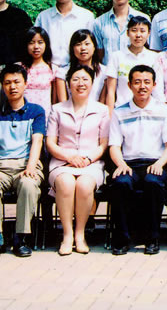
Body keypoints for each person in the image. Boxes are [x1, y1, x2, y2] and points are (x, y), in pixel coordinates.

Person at [0, 64, 46, 258]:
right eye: (7, 83)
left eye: (17, 82)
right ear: (2, 86)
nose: (12, 87)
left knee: (28, 184)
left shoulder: (36, 111)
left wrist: (31, 167)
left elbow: (37, 141)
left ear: (25, 84)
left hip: (26, 164)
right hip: (1, 166)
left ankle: (20, 238)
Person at [108, 65, 167, 256]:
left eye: (147, 82)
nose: (142, 86)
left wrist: (160, 164)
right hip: (128, 163)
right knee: (120, 183)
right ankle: (122, 239)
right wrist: (121, 164)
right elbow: (114, 145)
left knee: (153, 183)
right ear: (129, 85)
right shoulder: (119, 112)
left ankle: (152, 238)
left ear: (154, 85)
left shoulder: (164, 110)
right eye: (137, 82)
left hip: (156, 162)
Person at [46, 65, 110, 255]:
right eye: (75, 79)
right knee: (65, 183)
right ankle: (67, 235)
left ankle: (80, 234)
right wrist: (69, 157)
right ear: (68, 83)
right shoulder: (57, 109)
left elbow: (103, 144)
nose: (80, 83)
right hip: (62, 163)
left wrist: (88, 159)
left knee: (84, 184)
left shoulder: (102, 110)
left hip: (91, 163)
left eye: (85, 79)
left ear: (92, 83)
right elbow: (50, 142)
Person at [34, 0, 95, 72]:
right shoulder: (43, 17)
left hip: (77, 71)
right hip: (48, 70)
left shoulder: (86, 16)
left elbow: (92, 47)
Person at [105, 16, 164, 109]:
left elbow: (158, 91)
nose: (138, 35)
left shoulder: (154, 57)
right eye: (134, 30)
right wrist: (110, 115)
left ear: (149, 33)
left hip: (148, 111)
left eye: (142, 31)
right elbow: (110, 91)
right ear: (127, 33)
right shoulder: (116, 57)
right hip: (122, 110)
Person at [92, 0, 149, 65]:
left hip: (137, 72)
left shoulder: (144, 19)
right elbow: (99, 55)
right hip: (109, 72)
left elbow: (148, 50)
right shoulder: (99, 22)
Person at [55, 30, 107, 102]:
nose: (83, 48)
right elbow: (63, 103)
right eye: (78, 44)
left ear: (94, 47)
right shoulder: (62, 72)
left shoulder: (105, 72)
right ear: (72, 48)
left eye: (87, 44)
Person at [18, 27, 56, 116]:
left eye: (40, 42)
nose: (36, 46)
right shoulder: (20, 68)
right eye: (31, 43)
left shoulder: (52, 68)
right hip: (23, 115)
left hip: (45, 114)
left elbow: (54, 99)